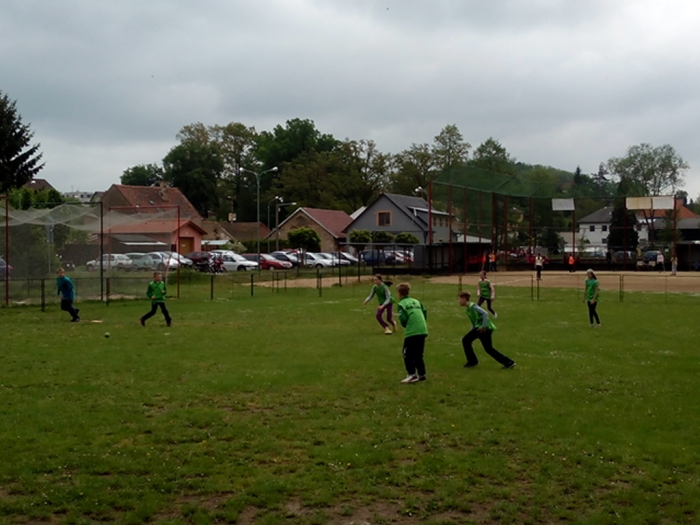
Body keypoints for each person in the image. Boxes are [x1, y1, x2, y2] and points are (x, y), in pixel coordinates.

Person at [458, 290, 515, 369]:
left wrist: (483, 326)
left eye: (459, 299)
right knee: (488, 349)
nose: (458, 301)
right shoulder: (468, 309)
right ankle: (509, 362)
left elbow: (485, 313)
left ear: (464, 299)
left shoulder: (472, 306)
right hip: (481, 328)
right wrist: (471, 332)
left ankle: (472, 362)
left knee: (465, 340)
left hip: (482, 329)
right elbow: (474, 322)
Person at [396, 282, 428, 384]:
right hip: (422, 329)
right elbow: (424, 311)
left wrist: (406, 325)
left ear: (399, 293)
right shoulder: (416, 301)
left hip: (412, 331)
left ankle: (411, 374)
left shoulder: (401, 304)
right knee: (418, 353)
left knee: (407, 353)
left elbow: (403, 319)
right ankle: (422, 374)